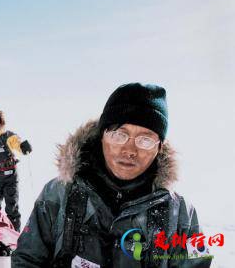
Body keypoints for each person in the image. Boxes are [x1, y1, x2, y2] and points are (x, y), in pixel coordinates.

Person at [12, 83, 212, 267]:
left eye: (145, 140)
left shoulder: (182, 213)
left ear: (159, 148)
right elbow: (27, 260)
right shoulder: (57, 194)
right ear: (102, 137)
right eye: (119, 135)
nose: (130, 150)